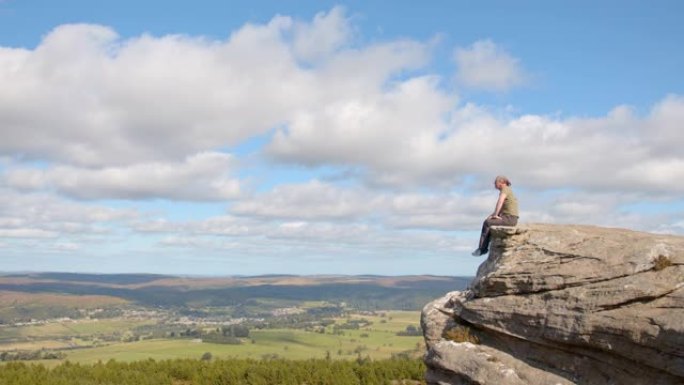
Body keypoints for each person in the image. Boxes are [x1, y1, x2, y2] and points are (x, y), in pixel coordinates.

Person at [472, 175, 519, 256]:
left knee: (487, 223)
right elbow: (501, 207)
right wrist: (493, 215)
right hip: (510, 218)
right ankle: (485, 247)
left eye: (495, 183)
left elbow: (500, 202)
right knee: (489, 221)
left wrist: (495, 215)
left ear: (501, 182)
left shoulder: (505, 189)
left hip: (509, 219)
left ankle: (482, 249)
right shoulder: (508, 190)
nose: (494, 185)